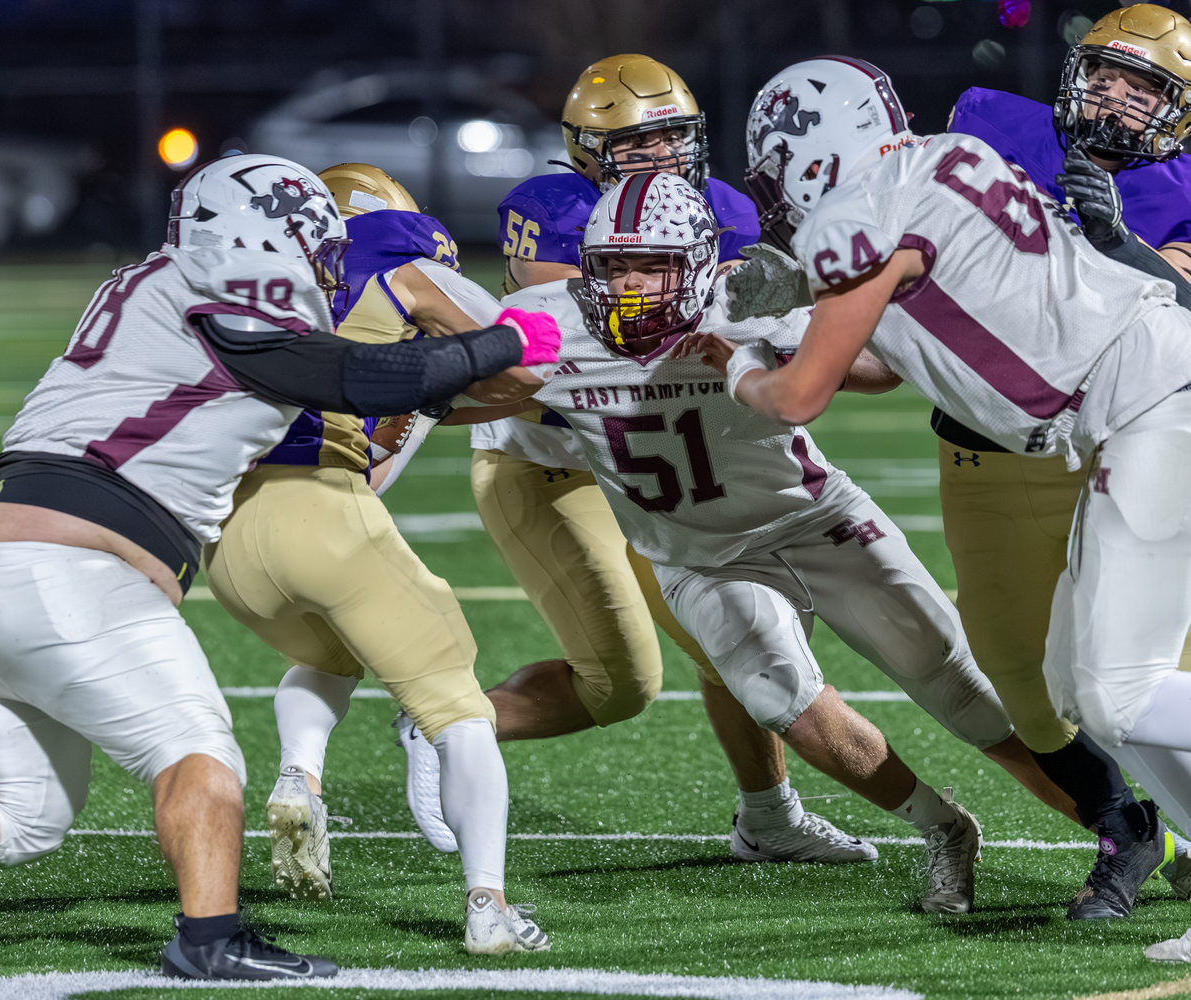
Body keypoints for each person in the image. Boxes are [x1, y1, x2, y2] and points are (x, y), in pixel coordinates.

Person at [0, 153, 558, 975]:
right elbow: (348, 375)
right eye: (315, 242)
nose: (326, 265)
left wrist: (438, 382)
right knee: (200, 751)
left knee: (24, 810)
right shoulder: (238, 279)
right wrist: (505, 340)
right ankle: (210, 939)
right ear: (269, 234)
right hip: (71, 568)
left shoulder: (142, 281)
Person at [705, 54, 1191, 928]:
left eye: (775, 167)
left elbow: (799, 397)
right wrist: (798, 309)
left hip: (1153, 407)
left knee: (1116, 692)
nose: (773, 191)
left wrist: (735, 359)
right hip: (1138, 399)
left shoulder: (856, 218)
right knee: (1067, 683)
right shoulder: (952, 159)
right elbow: (910, 343)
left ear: (812, 152)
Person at [493, 170, 1063, 914]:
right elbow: (455, 394)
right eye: (614, 265)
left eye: (654, 264)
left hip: (817, 522)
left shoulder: (740, 302)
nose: (631, 283)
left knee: (969, 694)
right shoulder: (549, 323)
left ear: (700, 263)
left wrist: (798, 335)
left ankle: (1139, 833)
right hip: (699, 557)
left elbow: (879, 372)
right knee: (781, 701)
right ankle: (944, 828)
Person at [450, 52, 870, 866]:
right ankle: (445, 724)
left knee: (728, 637)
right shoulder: (550, 208)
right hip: (551, 456)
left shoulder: (723, 207)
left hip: (658, 455)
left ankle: (769, 818)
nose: (662, 156)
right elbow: (594, 340)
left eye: (674, 137)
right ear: (585, 150)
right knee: (618, 681)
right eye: (638, 144)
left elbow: (747, 318)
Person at [206, 161, 553, 954]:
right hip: (322, 511)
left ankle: (299, 777)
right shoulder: (399, 260)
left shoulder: (234, 281)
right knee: (459, 708)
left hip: (226, 538)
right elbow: (526, 367)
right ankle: (489, 905)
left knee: (332, 651)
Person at [919, 3, 1191, 919]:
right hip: (989, 449)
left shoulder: (1183, 185)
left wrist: (1121, 244)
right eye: (1102, 75)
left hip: (1125, 448)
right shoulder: (992, 128)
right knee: (1023, 686)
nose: (1113, 96)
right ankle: (1127, 823)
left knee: (1146, 675)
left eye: (1141, 87)